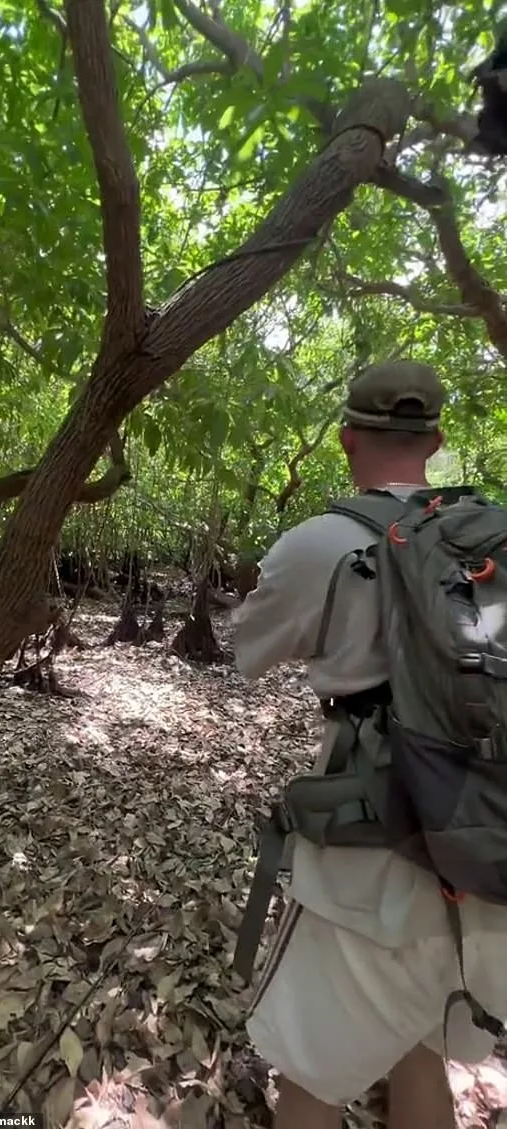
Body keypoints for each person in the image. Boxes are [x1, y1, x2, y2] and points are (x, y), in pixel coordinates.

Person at [232, 360, 507, 1129]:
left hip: (372, 875)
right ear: (438, 440)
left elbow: (248, 651)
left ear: (347, 438)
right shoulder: (495, 537)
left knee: (312, 1083)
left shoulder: (320, 543)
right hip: (490, 857)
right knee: (418, 1049)